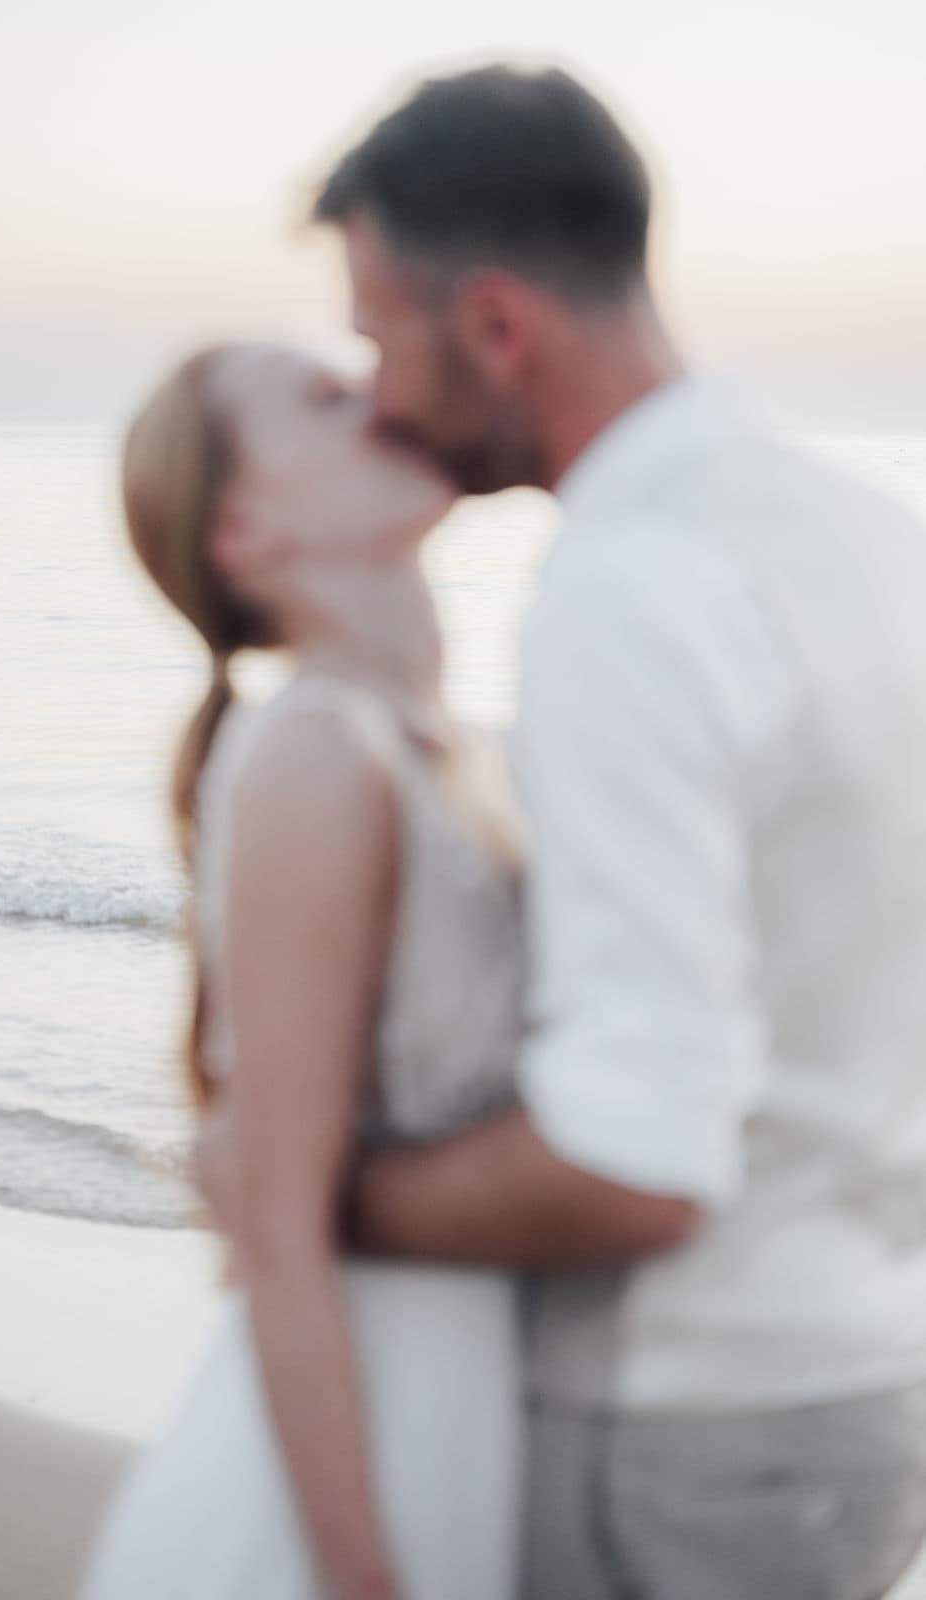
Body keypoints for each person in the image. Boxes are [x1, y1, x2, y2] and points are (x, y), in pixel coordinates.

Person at [198, 65, 926, 1599]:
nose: (381, 394)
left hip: (674, 1425)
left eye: (375, 338)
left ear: (496, 327)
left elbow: (630, 1169)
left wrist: (301, 1193)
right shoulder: (870, 538)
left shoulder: (626, 587)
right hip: (865, 1390)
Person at [79, 342, 540, 1600]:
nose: (383, 397)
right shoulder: (315, 752)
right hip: (363, 1446)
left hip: (490, 1410)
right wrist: (360, 1579)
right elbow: (278, 1234)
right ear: (244, 530)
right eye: (328, 402)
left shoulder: (467, 749)